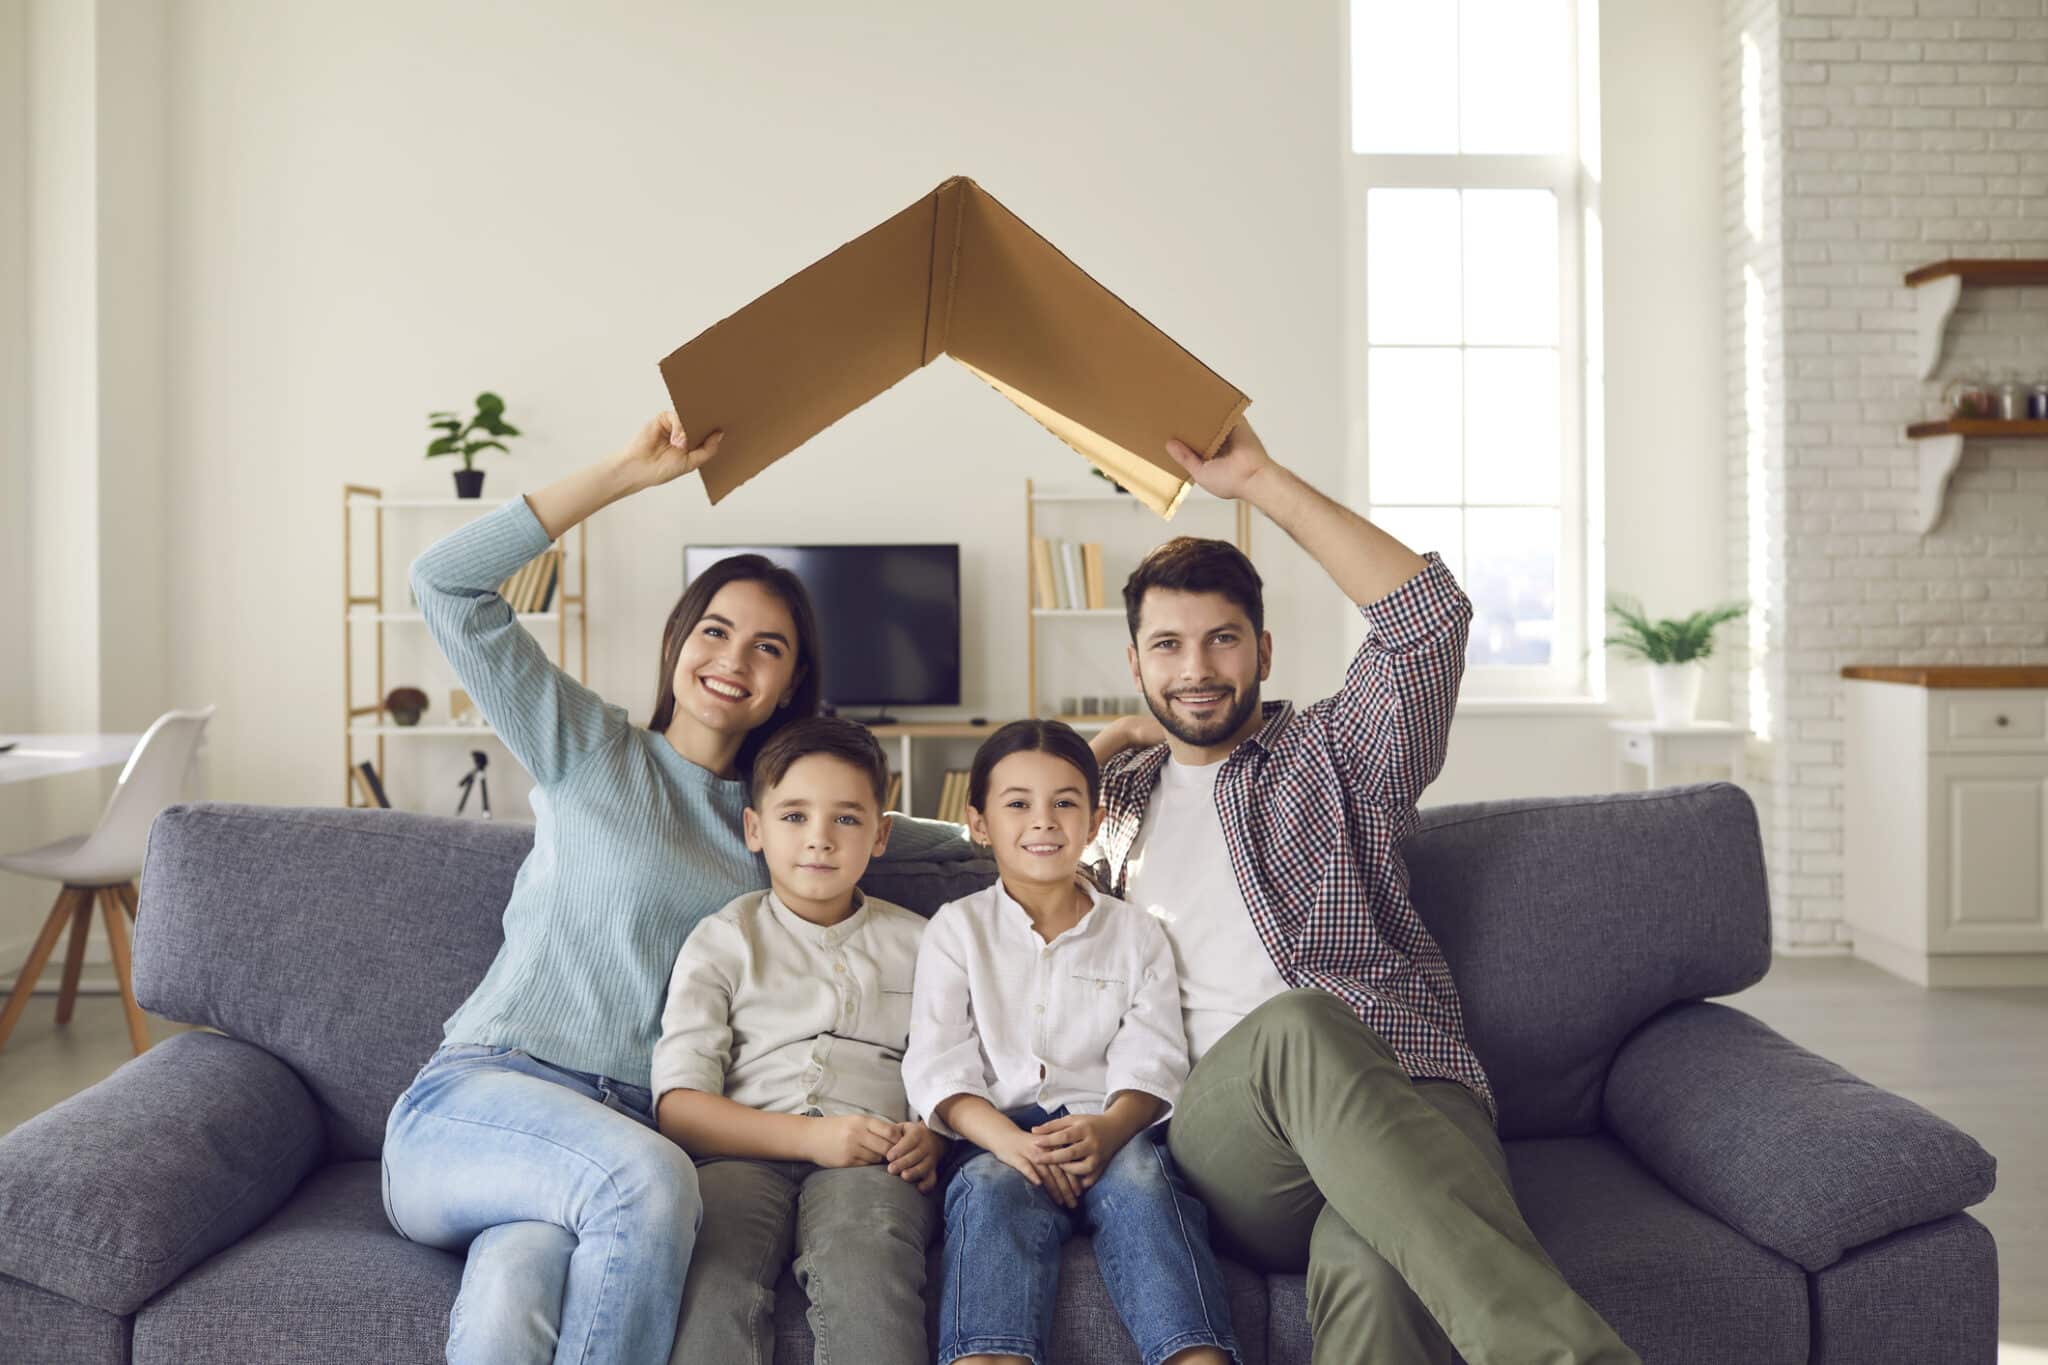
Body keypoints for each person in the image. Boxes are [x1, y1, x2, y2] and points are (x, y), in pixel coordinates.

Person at [379, 411, 976, 1365]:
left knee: (512, 1291)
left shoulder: (780, 826)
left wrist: (1068, 772)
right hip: (485, 1098)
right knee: (653, 1182)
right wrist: (623, 472)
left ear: (791, 686)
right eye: (715, 630)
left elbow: (936, 840)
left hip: (612, 1140)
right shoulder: (587, 749)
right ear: (677, 643)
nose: (733, 660)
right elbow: (441, 581)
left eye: (768, 648)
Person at [1086, 419, 1639, 1364]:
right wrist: (1080, 750)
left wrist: (1256, 477)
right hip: (1230, 1142)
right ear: (1135, 667)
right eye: (1168, 645)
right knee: (1299, 1023)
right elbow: (990, 882)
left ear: (1261, 649)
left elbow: (1427, 619)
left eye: (1221, 640)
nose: (1196, 668)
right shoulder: (1108, 807)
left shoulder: (1339, 754)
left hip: (1412, 1093)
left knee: (1378, 1267)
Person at [903, 720, 1240, 1365]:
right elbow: (939, 1065)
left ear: (1093, 822)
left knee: (1146, 1180)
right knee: (990, 1191)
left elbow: (1156, 1055)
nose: (1044, 821)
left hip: (1109, 1132)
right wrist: (1013, 1144)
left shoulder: (1137, 934)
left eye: (1064, 802)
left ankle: (1195, 1354)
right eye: (1018, 804)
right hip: (998, 1136)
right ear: (979, 823)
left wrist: (1110, 1132)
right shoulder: (956, 931)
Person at [655, 717, 941, 1363]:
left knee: (869, 1260)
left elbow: (956, 1069)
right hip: (737, 1156)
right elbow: (678, 1106)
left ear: (881, 833)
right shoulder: (724, 938)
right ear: (754, 828)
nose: (819, 839)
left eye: (845, 818)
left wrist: (936, 1132)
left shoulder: (927, 943)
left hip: (873, 1161)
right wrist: (812, 1137)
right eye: (793, 816)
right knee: (711, 1275)